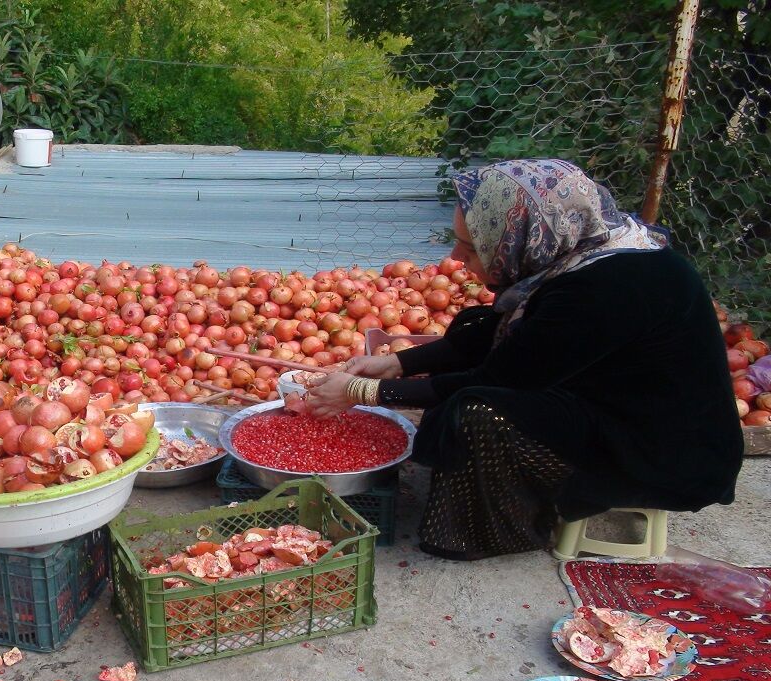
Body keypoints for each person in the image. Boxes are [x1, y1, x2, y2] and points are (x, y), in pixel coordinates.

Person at [305, 159, 743, 561]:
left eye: (470, 247)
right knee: (481, 327)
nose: (456, 260)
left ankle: (495, 531)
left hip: (659, 450)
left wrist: (364, 391)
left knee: (478, 411)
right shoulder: (587, 254)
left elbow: (504, 376)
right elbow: (509, 340)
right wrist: (397, 364)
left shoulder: (607, 288)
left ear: (522, 233)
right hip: (614, 402)